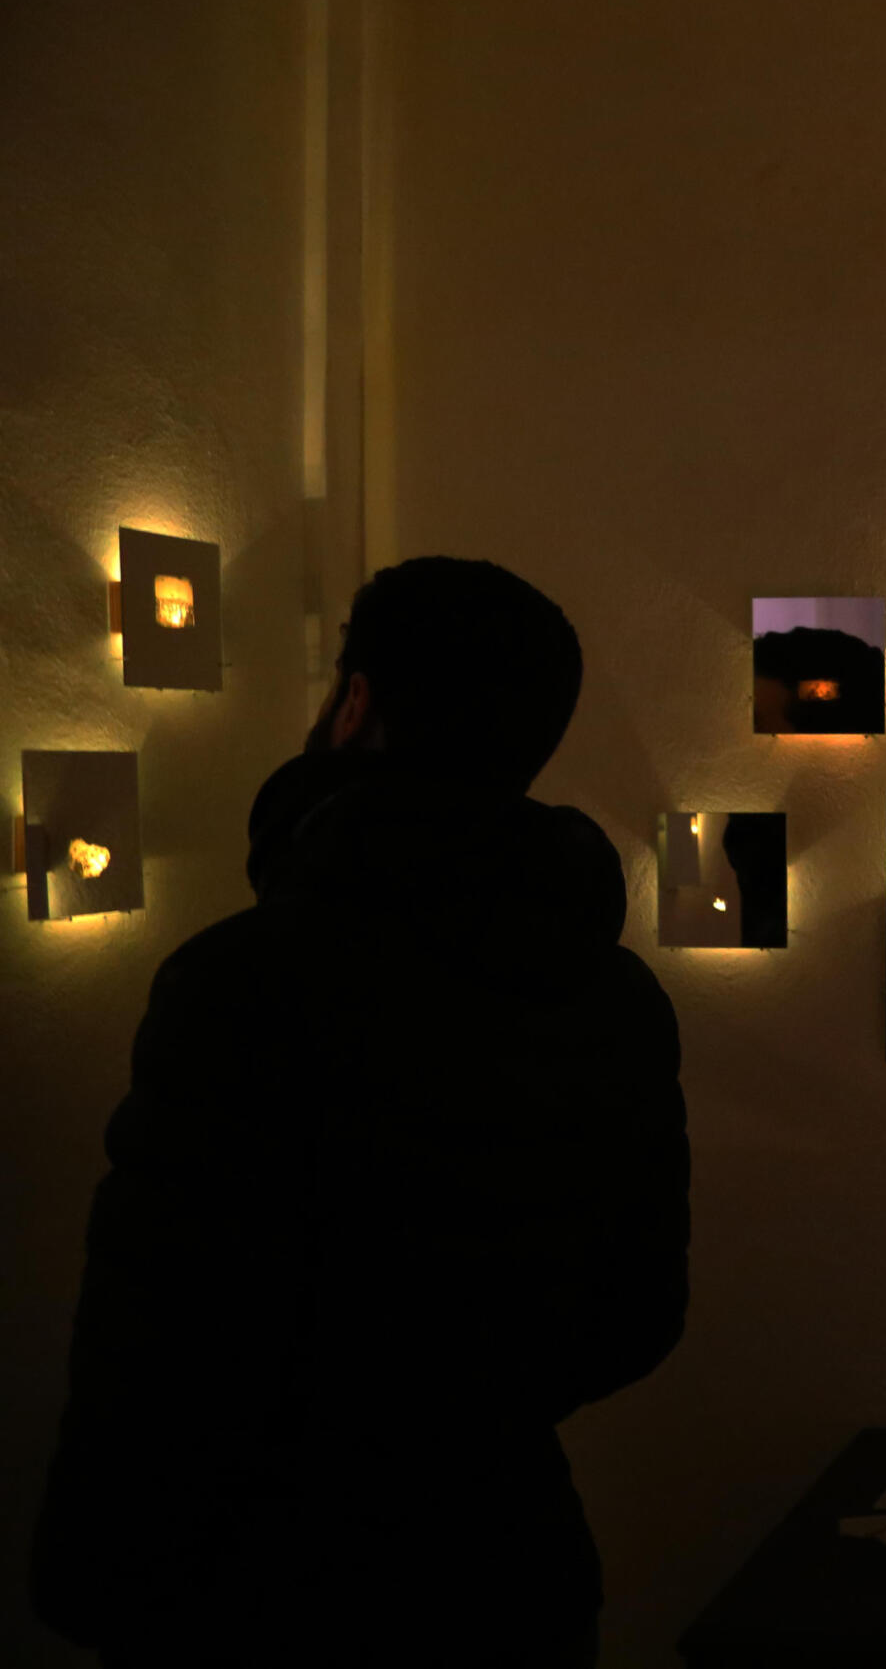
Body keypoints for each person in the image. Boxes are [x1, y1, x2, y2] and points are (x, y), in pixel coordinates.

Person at [32, 557, 691, 1668]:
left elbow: (157, 1340)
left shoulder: (247, 981)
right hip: (503, 1569)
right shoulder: (613, 992)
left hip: (248, 1589)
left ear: (357, 704)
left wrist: (92, 1585)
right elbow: (636, 1315)